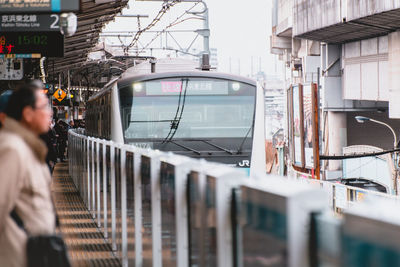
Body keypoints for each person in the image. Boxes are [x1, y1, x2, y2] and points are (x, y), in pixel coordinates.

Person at [0, 85, 56, 267]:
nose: (50, 113)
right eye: (45, 107)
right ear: (28, 114)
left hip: (35, 254)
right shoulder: (12, 149)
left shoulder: (28, 147)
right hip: (18, 256)